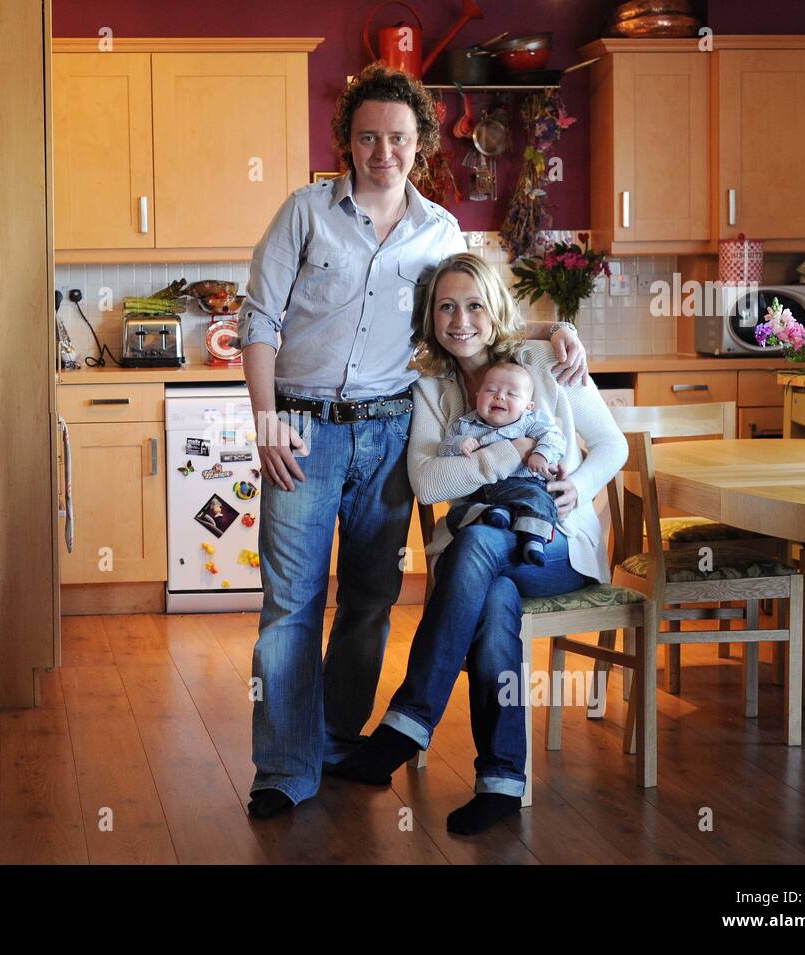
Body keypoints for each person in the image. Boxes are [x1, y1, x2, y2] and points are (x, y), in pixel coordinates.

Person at [238, 64, 589, 819]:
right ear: (348, 140)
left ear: (420, 142)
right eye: (367, 136)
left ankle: (335, 740)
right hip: (300, 427)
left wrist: (552, 327)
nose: (382, 151)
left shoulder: (440, 232)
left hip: (393, 428)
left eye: (397, 137)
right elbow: (258, 322)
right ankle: (282, 767)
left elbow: (474, 313)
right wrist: (265, 417)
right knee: (290, 603)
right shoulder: (304, 212)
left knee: (369, 598)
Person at [327, 251, 627, 837]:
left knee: (475, 547)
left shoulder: (543, 361)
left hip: (557, 544)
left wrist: (578, 486)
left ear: (494, 309)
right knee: (491, 592)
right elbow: (428, 481)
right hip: (486, 561)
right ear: (430, 317)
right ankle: (500, 783)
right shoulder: (431, 393)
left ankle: (407, 723)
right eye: (446, 307)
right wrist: (512, 453)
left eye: (473, 305)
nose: (460, 320)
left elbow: (610, 444)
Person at [437, 359, 566, 565]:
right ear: (477, 396)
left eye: (512, 394)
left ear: (528, 406)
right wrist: (458, 444)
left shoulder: (530, 421)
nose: (499, 396)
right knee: (455, 514)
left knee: (540, 500)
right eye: (491, 390)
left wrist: (541, 454)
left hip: (524, 486)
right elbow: (442, 451)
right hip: (480, 491)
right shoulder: (465, 426)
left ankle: (533, 540)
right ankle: (493, 514)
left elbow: (555, 438)